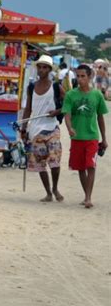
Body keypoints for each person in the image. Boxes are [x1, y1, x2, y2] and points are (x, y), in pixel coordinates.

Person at [62, 64, 108, 209]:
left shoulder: (97, 95)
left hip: (92, 137)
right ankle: (86, 195)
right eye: (78, 76)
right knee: (81, 168)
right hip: (76, 138)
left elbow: (100, 118)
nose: (80, 79)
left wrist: (104, 138)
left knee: (91, 166)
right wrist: (70, 128)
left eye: (83, 76)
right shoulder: (71, 95)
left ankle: (88, 198)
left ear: (90, 77)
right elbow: (67, 114)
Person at [21, 54, 64, 202]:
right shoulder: (32, 87)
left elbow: (67, 105)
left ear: (50, 69)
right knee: (40, 163)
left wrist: (57, 112)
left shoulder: (56, 87)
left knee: (55, 161)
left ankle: (55, 188)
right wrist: (23, 128)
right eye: (39, 67)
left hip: (52, 127)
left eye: (45, 67)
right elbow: (28, 108)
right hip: (36, 130)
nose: (41, 69)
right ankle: (48, 192)